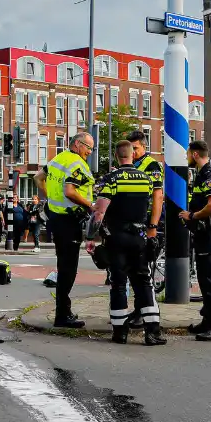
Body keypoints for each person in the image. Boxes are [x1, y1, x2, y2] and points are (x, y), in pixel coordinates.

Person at [91, 140, 164, 346]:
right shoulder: (147, 180)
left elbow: (99, 212)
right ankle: (152, 332)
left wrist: (90, 239)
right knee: (144, 283)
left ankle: (120, 332)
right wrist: (151, 228)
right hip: (139, 237)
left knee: (118, 284)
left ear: (116, 156)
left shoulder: (111, 179)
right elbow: (155, 201)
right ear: (133, 155)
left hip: (116, 238)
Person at [34, 131, 95, 328]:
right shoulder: (77, 164)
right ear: (77, 144)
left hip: (56, 218)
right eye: (88, 148)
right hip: (70, 221)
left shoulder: (57, 159)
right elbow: (70, 191)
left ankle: (63, 311)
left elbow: (37, 178)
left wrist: (51, 197)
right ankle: (62, 314)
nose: (89, 152)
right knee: (69, 269)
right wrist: (90, 206)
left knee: (63, 266)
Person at [178, 140, 211, 341]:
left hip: (209, 233)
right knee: (205, 278)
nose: (187, 157)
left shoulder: (209, 175)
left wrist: (192, 215)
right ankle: (208, 320)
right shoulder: (203, 174)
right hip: (204, 233)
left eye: (188, 153)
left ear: (195, 154)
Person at [127, 130, 164, 323]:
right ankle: (139, 310)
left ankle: (145, 312)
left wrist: (153, 226)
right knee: (134, 270)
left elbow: (158, 196)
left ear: (144, 146)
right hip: (133, 223)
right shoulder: (131, 164)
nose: (132, 152)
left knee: (143, 270)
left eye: (136, 148)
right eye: (130, 148)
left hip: (147, 222)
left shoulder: (152, 165)